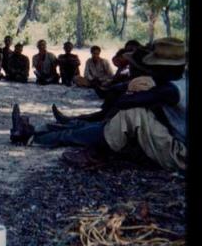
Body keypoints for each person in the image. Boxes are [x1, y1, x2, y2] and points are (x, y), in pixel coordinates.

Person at [11, 37, 187, 172]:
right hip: (172, 141)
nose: (152, 70)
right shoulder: (175, 84)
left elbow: (124, 102)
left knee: (130, 115)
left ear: (166, 68)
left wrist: (135, 89)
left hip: (179, 153)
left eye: (155, 67)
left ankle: (33, 137)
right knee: (98, 125)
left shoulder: (171, 89)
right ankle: (34, 133)